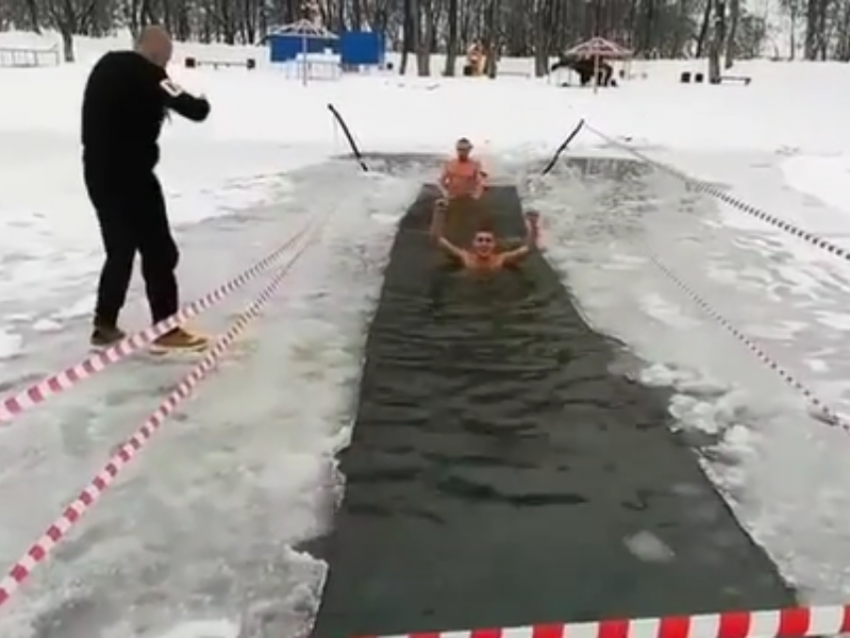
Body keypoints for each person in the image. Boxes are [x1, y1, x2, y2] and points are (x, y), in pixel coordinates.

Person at [81, 25, 210, 350]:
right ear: (154, 53)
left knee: (120, 251)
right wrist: (203, 103)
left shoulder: (105, 66)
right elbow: (192, 109)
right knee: (160, 251)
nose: (165, 66)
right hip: (133, 178)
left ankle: (104, 324)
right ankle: (166, 329)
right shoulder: (150, 74)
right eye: (165, 59)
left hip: (98, 174)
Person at [430, 199, 540, 272]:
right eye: (480, 240)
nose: (484, 244)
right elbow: (437, 239)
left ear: (494, 244)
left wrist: (533, 223)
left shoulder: (501, 260)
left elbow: (529, 248)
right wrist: (439, 212)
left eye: (488, 241)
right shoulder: (465, 258)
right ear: (473, 243)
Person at [437, 137, 487, 203]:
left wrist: (477, 195)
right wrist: (445, 193)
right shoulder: (449, 163)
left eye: (464, 150)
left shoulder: (475, 164)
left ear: (469, 150)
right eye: (459, 149)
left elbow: (480, 182)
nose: (461, 152)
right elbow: (440, 181)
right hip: (452, 197)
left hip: (468, 198)